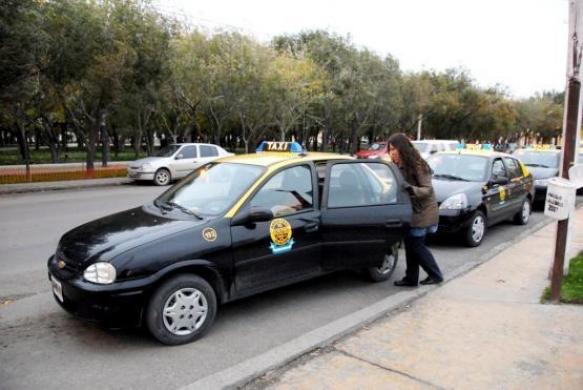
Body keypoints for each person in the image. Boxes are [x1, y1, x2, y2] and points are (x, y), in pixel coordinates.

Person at [388, 133, 444, 286]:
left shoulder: (418, 165)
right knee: (411, 246)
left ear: (403, 148)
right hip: (411, 213)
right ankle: (411, 278)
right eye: (390, 149)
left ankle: (436, 275)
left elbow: (427, 190)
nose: (391, 152)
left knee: (416, 247)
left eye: (394, 149)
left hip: (423, 213)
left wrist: (410, 188)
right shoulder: (399, 166)